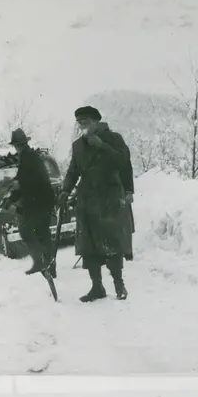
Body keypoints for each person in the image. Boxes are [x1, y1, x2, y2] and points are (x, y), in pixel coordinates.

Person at [60, 105, 134, 302]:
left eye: (86, 123)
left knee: (112, 243)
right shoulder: (78, 146)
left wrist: (101, 145)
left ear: (96, 122)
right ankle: (97, 287)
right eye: (80, 123)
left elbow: (123, 162)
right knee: (88, 246)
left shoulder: (113, 139)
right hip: (87, 200)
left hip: (109, 199)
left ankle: (119, 284)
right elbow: (73, 171)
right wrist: (65, 189)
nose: (82, 126)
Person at [0, 128, 57, 277]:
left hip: (41, 201)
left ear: (22, 145)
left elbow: (38, 181)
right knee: (42, 233)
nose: (17, 148)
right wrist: (10, 199)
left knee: (26, 230)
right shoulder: (26, 158)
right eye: (17, 145)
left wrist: (20, 185)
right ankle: (50, 266)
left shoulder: (31, 158)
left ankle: (40, 261)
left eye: (18, 145)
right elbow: (22, 183)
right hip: (37, 202)